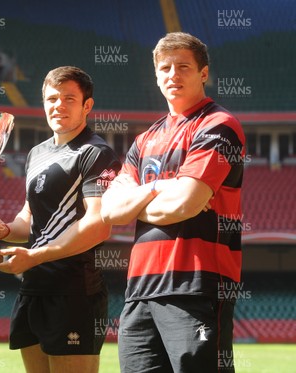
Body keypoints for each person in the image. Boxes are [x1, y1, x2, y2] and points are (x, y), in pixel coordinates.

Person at [100, 32, 245, 372]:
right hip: (139, 290)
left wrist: (139, 197)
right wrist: (165, 187)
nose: (173, 75)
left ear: (203, 73)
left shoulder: (218, 125)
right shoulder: (144, 139)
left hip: (196, 284)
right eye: (165, 68)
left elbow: (184, 204)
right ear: (156, 76)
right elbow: (109, 209)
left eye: (183, 67)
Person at [0, 66, 121, 372]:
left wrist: (34, 256)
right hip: (33, 288)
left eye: (68, 98)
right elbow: (29, 219)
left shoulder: (96, 153)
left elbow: (99, 224)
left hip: (73, 291)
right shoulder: (37, 153)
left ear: (87, 105)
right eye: (51, 98)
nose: (58, 105)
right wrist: (4, 229)